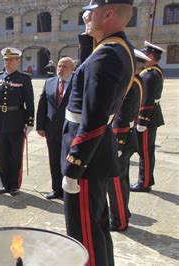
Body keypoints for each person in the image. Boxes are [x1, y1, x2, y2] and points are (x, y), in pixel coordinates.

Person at [60, 1, 135, 265]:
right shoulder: (115, 48)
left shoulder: (106, 56)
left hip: (86, 160)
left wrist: (73, 168)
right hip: (95, 153)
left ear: (109, 13)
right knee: (98, 225)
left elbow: (93, 119)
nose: (86, 17)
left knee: (84, 233)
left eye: (91, 12)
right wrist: (88, 35)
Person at [107, 49, 149, 232]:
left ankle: (119, 221)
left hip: (121, 138)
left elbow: (123, 117)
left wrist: (118, 142)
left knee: (114, 181)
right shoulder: (137, 81)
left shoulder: (130, 84)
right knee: (122, 180)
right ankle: (123, 211)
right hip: (126, 136)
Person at [0, 47, 34, 196]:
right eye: (5, 60)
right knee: (2, 155)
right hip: (1, 122)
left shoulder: (24, 78)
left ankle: (15, 185)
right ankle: (5, 184)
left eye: (11, 60)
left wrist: (30, 122)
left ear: (17, 61)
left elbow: (29, 102)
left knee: (15, 155)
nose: (7, 62)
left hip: (16, 122)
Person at [36, 57, 75, 200]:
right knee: (54, 161)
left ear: (72, 69)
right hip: (51, 130)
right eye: (59, 66)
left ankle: (67, 191)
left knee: (68, 161)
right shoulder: (49, 82)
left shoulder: (78, 83)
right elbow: (42, 105)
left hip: (70, 130)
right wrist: (40, 126)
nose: (60, 69)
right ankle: (56, 189)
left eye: (64, 66)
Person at [130, 41, 166, 193]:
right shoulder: (154, 71)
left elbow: (147, 99)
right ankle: (145, 180)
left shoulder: (150, 75)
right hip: (152, 117)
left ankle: (144, 183)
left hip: (147, 119)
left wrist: (142, 120)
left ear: (150, 56)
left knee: (145, 151)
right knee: (146, 150)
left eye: (145, 54)